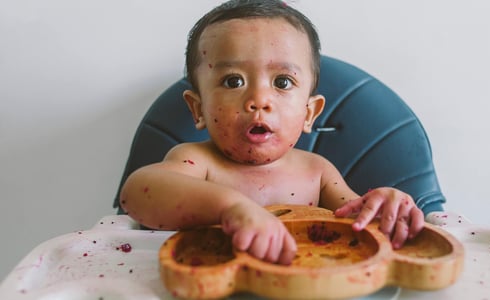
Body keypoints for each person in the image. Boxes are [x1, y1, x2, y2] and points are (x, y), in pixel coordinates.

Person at [120, 0, 424, 265]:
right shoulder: (197, 162)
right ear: (198, 109)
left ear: (309, 113)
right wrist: (231, 208)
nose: (259, 101)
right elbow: (136, 194)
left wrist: (381, 204)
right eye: (233, 81)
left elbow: (356, 217)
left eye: (282, 82)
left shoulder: (316, 173)